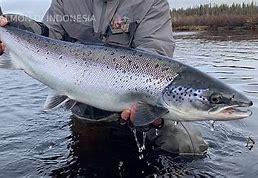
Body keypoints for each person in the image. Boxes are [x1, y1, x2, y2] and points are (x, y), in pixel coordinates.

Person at [0, 0, 208, 155]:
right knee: (89, 158)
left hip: (146, 103)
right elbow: (46, 36)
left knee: (189, 147)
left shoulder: (151, 2)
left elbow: (155, 56)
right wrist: (13, 25)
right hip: (84, 109)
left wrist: (148, 111)